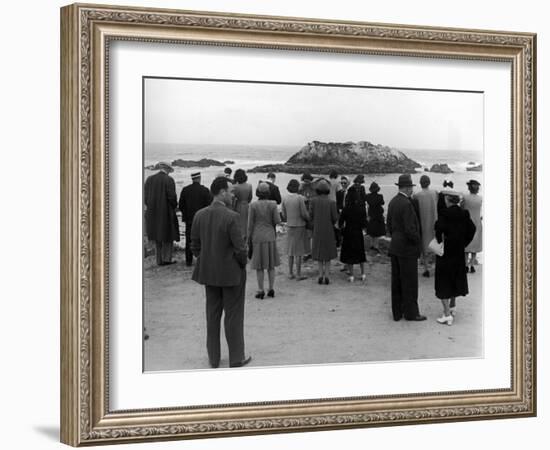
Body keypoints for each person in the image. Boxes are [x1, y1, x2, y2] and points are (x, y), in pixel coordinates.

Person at [190, 177, 251, 368]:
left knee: (212, 315)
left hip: (209, 273)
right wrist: (241, 264)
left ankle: (213, 359)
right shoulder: (232, 216)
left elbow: (195, 246)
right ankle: (236, 358)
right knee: (233, 316)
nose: (233, 194)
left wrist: (207, 259)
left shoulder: (199, 215)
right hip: (231, 274)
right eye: (231, 191)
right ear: (222, 192)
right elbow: (241, 249)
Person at [386, 174, 426, 322]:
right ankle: (411, 313)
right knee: (410, 282)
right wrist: (417, 242)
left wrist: (396, 236)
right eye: (410, 188)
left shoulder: (392, 202)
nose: (411, 191)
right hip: (407, 249)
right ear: (408, 188)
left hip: (395, 246)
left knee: (396, 281)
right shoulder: (407, 204)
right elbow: (411, 230)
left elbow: (389, 225)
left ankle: (397, 312)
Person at [434, 189, 476, 325]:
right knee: (454, 278)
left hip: (446, 252)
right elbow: (472, 229)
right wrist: (464, 243)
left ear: (447, 199)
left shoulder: (443, 213)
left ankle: (447, 314)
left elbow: (438, 230)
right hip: (458, 251)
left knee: (443, 281)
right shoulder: (464, 213)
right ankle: (452, 307)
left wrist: (440, 242)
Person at [248, 182, 281, 299]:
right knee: (271, 265)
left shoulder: (253, 205)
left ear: (258, 192)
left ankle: (260, 289)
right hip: (270, 235)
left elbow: (250, 224)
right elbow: (277, 220)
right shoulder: (273, 204)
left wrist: (248, 239)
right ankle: (271, 288)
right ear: (268, 192)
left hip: (257, 236)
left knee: (259, 266)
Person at [144, 162, 180, 266]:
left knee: (157, 236)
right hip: (166, 212)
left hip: (152, 212)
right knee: (168, 236)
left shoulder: (149, 179)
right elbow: (172, 198)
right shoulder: (169, 180)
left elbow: (145, 198)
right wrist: (173, 207)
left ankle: (158, 260)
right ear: (168, 169)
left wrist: (151, 206)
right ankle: (166, 259)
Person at [178, 172, 212, 266]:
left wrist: (185, 214)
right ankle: (202, 259)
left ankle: (188, 261)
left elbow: (181, 205)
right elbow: (209, 205)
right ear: (200, 178)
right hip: (202, 220)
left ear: (192, 179)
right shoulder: (205, 190)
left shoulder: (185, 190)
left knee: (189, 240)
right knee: (202, 239)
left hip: (189, 219)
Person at [310, 179, 339, 284]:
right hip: (328, 229)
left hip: (317, 229)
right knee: (327, 253)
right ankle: (327, 275)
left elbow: (311, 215)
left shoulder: (313, 201)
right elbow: (335, 217)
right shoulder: (332, 202)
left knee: (319, 253)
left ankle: (320, 275)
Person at [281, 179, 310, 280]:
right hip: (299, 225)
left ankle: (290, 273)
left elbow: (283, 214)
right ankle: (298, 274)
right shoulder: (300, 198)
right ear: (297, 187)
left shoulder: (284, 198)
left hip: (289, 225)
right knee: (298, 252)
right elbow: (304, 213)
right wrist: (308, 218)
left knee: (290, 251)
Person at [339, 186, 367, 282]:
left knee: (349, 254)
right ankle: (363, 273)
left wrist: (341, 229)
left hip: (348, 232)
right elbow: (364, 223)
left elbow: (340, 222)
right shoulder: (361, 208)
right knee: (360, 253)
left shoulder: (346, 209)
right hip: (358, 232)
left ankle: (351, 275)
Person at [412, 175, 438, 277]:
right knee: (435, 246)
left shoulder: (417, 195)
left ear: (420, 183)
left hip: (423, 222)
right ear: (429, 182)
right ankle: (436, 268)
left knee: (424, 247)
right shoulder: (435, 193)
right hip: (434, 222)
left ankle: (426, 269)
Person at [463, 179, 483, 273]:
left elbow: (462, 208)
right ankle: (472, 265)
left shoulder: (465, 197)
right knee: (474, 247)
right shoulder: (480, 199)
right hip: (477, 223)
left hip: (467, 223)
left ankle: (466, 265)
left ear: (469, 188)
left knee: (467, 246)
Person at [365, 181, 386, 254]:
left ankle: (371, 245)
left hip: (371, 214)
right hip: (378, 215)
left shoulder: (367, 196)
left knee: (371, 231)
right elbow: (383, 203)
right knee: (377, 232)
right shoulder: (380, 196)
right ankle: (376, 246)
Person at [232, 169, 253, 240]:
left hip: (238, 205)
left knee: (239, 223)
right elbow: (250, 197)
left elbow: (232, 198)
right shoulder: (249, 186)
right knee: (247, 222)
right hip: (247, 205)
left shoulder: (235, 187)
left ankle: (240, 237)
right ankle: (246, 236)